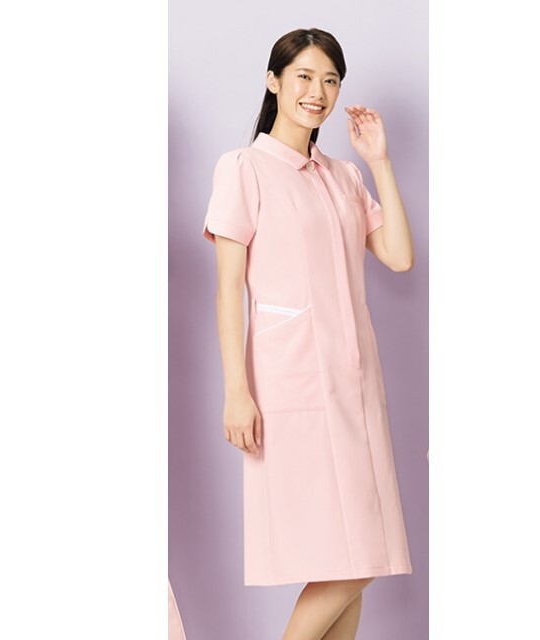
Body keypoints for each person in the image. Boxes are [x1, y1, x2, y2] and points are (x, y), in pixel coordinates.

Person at [202, 27, 415, 640]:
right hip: (290, 385)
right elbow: (228, 290)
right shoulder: (243, 169)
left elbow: (399, 256)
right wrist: (236, 392)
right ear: (273, 82)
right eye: (303, 76)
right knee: (350, 556)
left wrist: (378, 161)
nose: (317, 91)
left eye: (330, 80)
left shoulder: (343, 175)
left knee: (357, 554)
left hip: (356, 383)